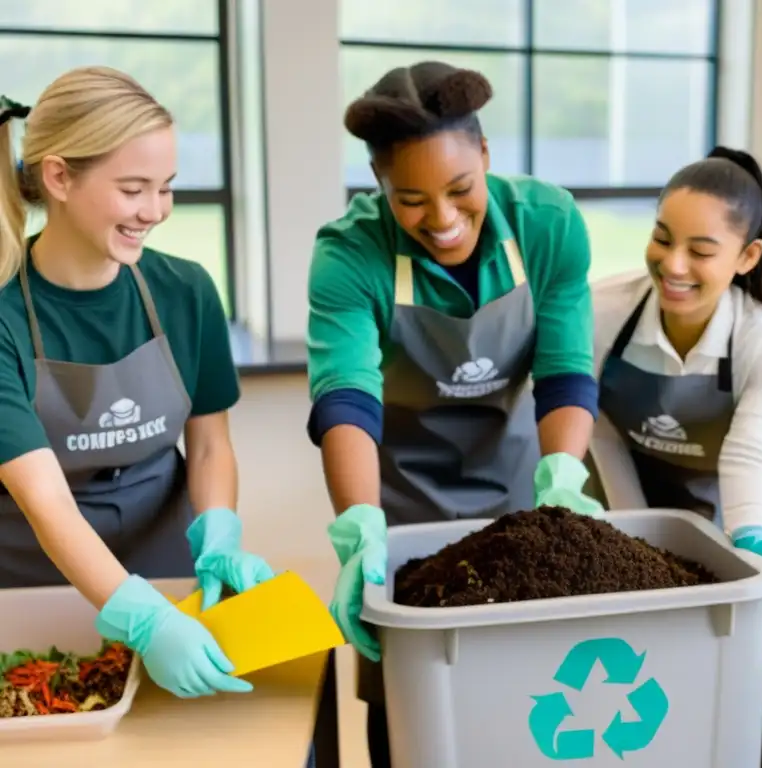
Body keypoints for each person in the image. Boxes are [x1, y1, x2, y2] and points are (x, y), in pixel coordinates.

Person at [306, 61, 604, 766]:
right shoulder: (350, 255)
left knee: (526, 705)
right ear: (379, 184)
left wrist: (562, 478)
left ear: (487, 160)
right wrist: (359, 528)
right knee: (409, 719)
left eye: (461, 190)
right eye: (410, 199)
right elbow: (346, 396)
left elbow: (564, 370)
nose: (441, 219)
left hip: (520, 501)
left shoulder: (548, 225)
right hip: (403, 506)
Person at [0, 68, 273, 697]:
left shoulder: (187, 291)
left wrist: (218, 530)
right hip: (36, 595)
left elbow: (208, 444)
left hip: (173, 582)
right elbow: (47, 503)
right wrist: (144, 620)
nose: (155, 211)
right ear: (59, 176)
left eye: (166, 188)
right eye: (133, 189)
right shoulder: (5, 319)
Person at [591, 147, 762, 615]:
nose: (674, 265)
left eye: (701, 251)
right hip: (616, 497)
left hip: (724, 516)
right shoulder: (602, 312)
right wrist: (632, 538)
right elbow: (598, 434)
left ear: (748, 256)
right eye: (662, 240)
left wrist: (754, 541)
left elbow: (751, 448)